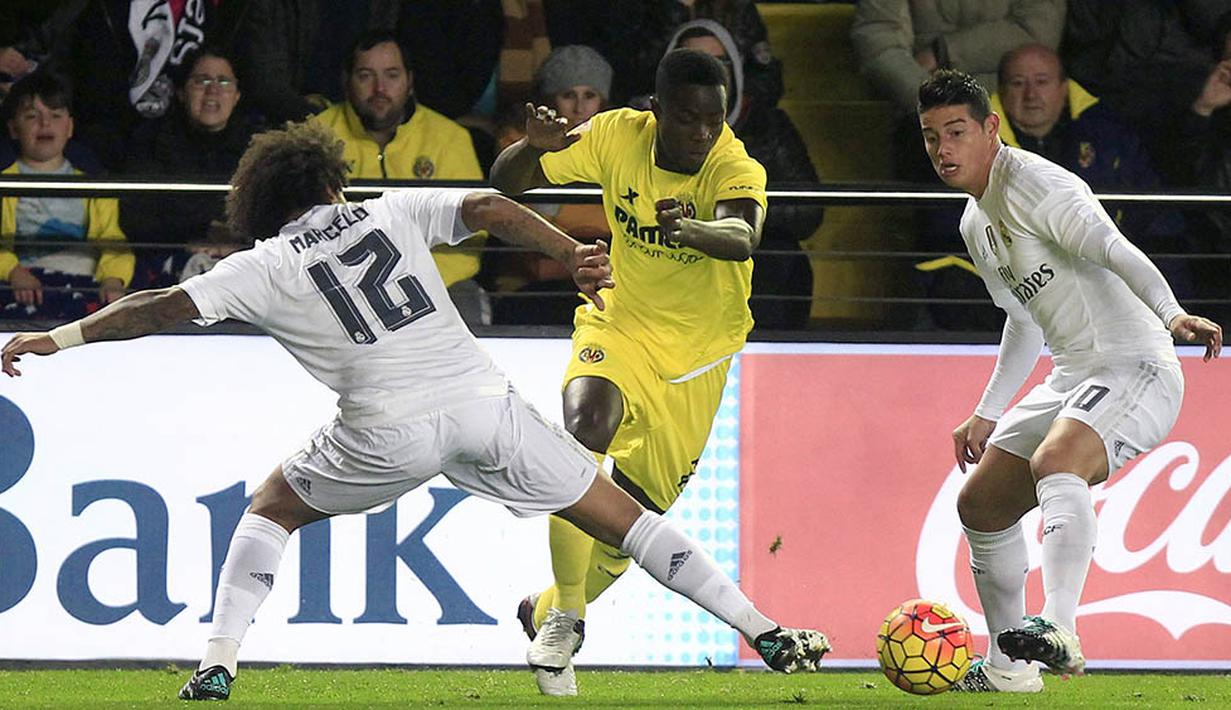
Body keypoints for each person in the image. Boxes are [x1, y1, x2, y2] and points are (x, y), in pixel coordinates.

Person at [0, 120, 829, 701]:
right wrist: (570, 251)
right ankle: (763, 629)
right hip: (478, 404)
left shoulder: (258, 265)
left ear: (262, 200)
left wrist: (59, 338)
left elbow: (157, 305)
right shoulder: (390, 209)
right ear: (331, 182)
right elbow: (491, 209)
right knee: (620, 515)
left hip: (382, 432)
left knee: (272, 507)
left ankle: (217, 664)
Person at [490, 48, 789, 694]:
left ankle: (543, 610)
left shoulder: (732, 164)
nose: (702, 133)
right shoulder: (616, 135)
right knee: (583, 424)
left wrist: (692, 231)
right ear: (656, 112)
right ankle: (567, 616)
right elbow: (506, 180)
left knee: (630, 524)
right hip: (619, 323)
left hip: (696, 358)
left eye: (713, 120)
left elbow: (743, 236)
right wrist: (529, 148)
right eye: (688, 119)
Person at [915, 70, 1222, 693]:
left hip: (1137, 364)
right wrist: (988, 410)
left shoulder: (1038, 185)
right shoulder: (975, 222)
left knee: (1059, 459)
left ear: (990, 129)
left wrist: (1172, 314)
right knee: (980, 505)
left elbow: (1115, 248)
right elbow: (1022, 320)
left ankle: (1058, 627)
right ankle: (1010, 669)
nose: (943, 149)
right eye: (930, 137)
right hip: (1073, 374)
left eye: (956, 132)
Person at [313, 30, 489, 326]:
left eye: (392, 75)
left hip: (439, 285)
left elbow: (473, 235)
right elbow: (299, 230)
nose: (380, 88)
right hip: (339, 290)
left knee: (467, 303)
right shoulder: (315, 137)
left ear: (409, 81)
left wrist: (407, 282)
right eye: (366, 75)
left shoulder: (449, 138)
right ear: (346, 81)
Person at [666, 19, 823, 329]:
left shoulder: (769, 125)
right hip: (668, 252)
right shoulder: (641, 125)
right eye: (691, 61)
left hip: (753, 259)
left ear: (734, 69)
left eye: (717, 61)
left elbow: (808, 211)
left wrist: (734, 214)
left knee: (780, 258)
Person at [488, 44, 613, 325]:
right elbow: (526, 219)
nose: (580, 107)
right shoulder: (518, 142)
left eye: (590, 96)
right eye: (569, 95)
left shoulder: (615, 143)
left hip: (603, 278)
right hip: (528, 287)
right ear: (549, 97)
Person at [121, 46, 261, 288]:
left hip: (243, 256)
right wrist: (204, 230)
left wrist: (234, 241)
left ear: (237, 95)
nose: (213, 90)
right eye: (201, 80)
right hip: (168, 259)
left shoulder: (259, 147)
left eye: (224, 81)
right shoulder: (150, 142)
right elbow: (138, 219)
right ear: (181, 92)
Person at [1, 71, 132, 319]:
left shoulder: (93, 184)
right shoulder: (4, 180)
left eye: (55, 115)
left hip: (82, 279)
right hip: (26, 284)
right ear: (13, 129)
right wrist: (13, 272)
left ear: (70, 126)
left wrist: (113, 279)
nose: (45, 124)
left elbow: (112, 238)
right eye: (32, 116)